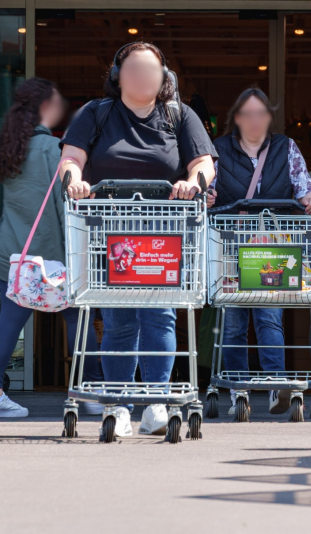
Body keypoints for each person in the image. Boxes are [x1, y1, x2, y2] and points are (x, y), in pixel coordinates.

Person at [59, 41, 216, 438]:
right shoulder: (96, 113)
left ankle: (158, 401)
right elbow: (71, 158)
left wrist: (191, 182)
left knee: (160, 315)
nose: (143, 76)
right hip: (109, 230)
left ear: (165, 77)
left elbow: (204, 164)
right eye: (133, 69)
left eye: (151, 70)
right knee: (118, 319)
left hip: (164, 230)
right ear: (117, 75)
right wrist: (74, 180)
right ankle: (120, 404)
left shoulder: (179, 115)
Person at [0, 78, 102, 417]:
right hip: (54, 256)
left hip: (13, 255)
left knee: (9, 321)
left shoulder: (8, 149)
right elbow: (68, 208)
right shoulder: (57, 150)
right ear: (46, 106)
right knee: (79, 321)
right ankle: (88, 392)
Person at [206, 87, 311, 417]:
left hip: (273, 243)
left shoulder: (286, 148)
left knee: (269, 317)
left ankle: (276, 384)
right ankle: (238, 390)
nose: (255, 120)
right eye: (248, 113)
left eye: (261, 113)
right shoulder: (218, 151)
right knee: (233, 320)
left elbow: (304, 187)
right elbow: (208, 188)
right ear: (236, 118)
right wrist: (207, 198)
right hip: (230, 243)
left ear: (269, 118)